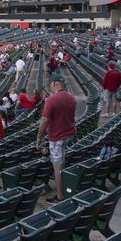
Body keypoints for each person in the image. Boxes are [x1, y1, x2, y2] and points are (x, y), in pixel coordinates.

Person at [36, 73, 77, 203]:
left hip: (57, 137)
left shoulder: (51, 100)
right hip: (69, 133)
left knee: (57, 167)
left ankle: (60, 196)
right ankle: (63, 190)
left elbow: (44, 121)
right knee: (61, 163)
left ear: (54, 84)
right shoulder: (71, 97)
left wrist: (39, 138)